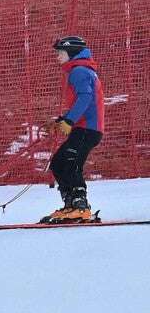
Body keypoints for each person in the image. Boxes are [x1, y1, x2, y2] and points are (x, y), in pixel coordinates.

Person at [42, 36, 104, 223]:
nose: (58, 57)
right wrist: (62, 120)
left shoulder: (79, 71)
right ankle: (70, 204)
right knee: (59, 163)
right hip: (83, 128)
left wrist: (69, 120)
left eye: (61, 53)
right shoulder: (82, 70)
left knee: (70, 163)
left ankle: (80, 206)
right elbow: (84, 101)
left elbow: (85, 98)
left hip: (87, 129)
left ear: (72, 53)